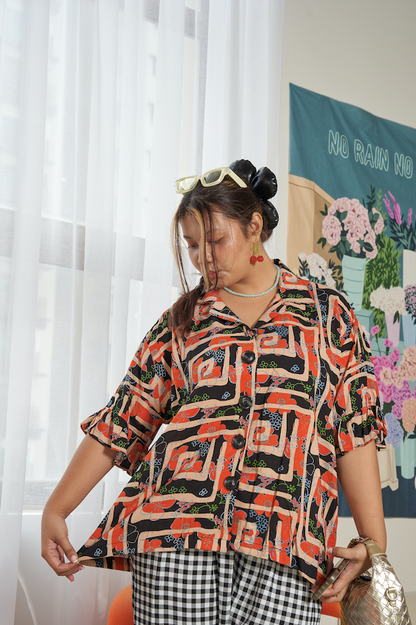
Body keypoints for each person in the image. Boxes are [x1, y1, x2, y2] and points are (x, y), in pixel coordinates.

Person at [42, 160, 387, 625]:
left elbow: (354, 429)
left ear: (254, 227)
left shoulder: (328, 316)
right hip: (175, 538)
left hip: (286, 540)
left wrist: (373, 544)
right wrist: (56, 509)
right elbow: (122, 420)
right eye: (190, 244)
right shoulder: (180, 323)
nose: (202, 255)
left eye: (215, 240)